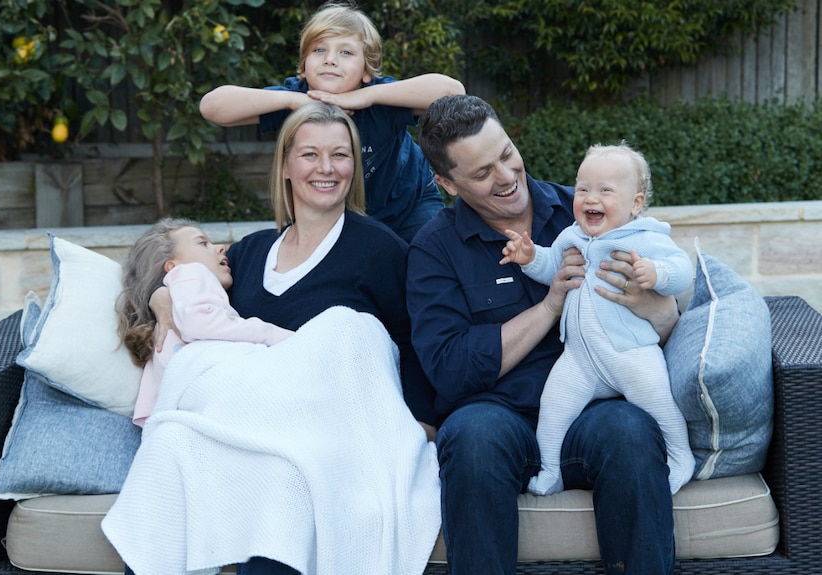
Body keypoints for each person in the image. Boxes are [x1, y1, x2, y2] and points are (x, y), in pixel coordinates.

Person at [104, 102, 440, 575]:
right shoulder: (248, 254)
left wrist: (421, 420)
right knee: (173, 444)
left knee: (288, 484)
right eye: (310, 155)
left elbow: (411, 339)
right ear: (285, 165)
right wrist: (163, 296)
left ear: (354, 167)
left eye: (340, 155)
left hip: (329, 436)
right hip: (253, 431)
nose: (326, 168)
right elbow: (191, 292)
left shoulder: (381, 249)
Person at [406, 94, 681, 575]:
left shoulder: (584, 213)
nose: (507, 177)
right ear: (446, 183)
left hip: (592, 410)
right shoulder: (435, 249)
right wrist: (552, 303)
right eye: (482, 172)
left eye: (506, 153)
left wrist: (652, 304)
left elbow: (666, 321)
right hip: (497, 415)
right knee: (471, 437)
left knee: (630, 431)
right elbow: (450, 370)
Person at [499, 142, 694, 496]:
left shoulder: (644, 237)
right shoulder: (571, 236)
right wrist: (529, 257)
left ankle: (682, 457)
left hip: (630, 352)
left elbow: (683, 270)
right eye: (583, 188)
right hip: (580, 358)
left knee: (658, 402)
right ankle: (550, 470)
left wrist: (656, 272)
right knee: (553, 406)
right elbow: (550, 270)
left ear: (635, 203)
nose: (591, 198)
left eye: (606, 190)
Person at [198, 0, 465, 243]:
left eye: (346, 52)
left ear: (367, 70)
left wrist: (365, 97)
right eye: (319, 49)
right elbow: (212, 106)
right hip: (331, 214)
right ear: (303, 66)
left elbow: (453, 91)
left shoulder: (382, 102)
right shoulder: (295, 99)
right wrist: (295, 102)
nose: (330, 59)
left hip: (407, 207)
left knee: (427, 263)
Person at [116, 218, 294, 427]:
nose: (221, 248)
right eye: (203, 243)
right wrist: (273, 334)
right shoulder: (190, 272)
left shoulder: (172, 313)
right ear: (172, 266)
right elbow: (197, 324)